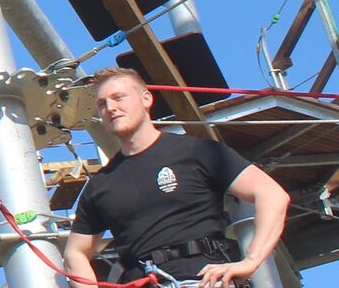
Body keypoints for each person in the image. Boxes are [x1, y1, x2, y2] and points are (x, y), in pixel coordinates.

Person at [65, 67, 290, 287]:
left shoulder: (197, 152)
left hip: (203, 280)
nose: (110, 108)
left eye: (118, 98)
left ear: (146, 99)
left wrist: (250, 262)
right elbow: (75, 252)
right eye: (102, 104)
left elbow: (272, 194)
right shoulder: (101, 184)